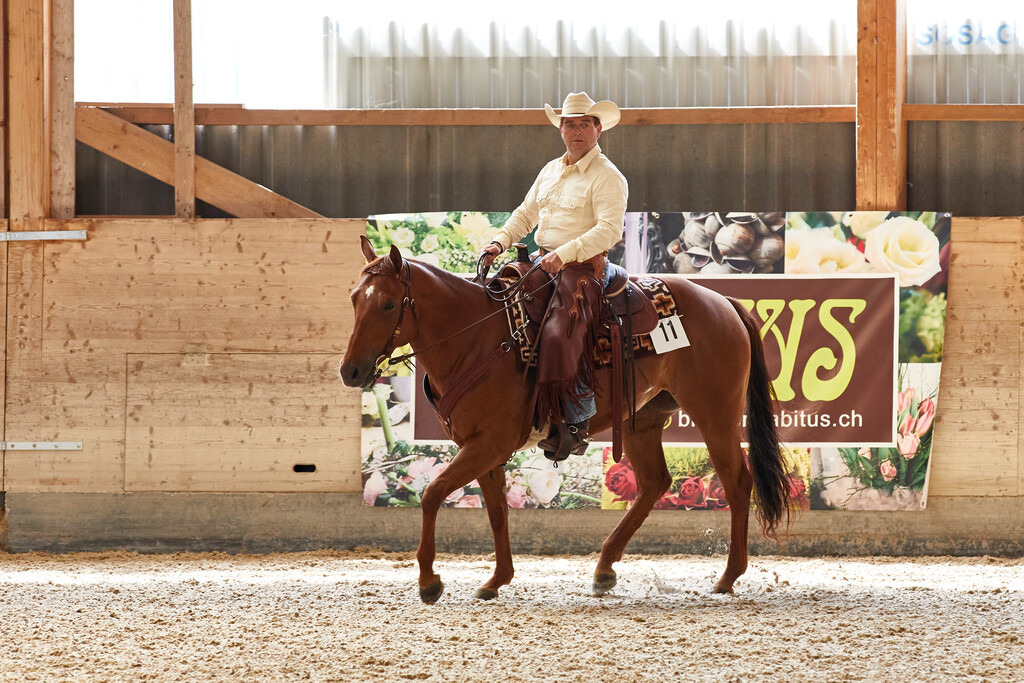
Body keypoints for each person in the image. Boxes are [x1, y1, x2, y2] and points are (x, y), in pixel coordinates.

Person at [480, 92, 628, 459]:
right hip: (544, 260)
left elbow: (609, 230)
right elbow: (525, 214)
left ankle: (575, 424)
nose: (576, 130)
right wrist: (499, 242)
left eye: (583, 124)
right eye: (569, 124)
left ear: (598, 130)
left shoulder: (608, 176)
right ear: (561, 130)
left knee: (560, 333)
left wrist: (565, 254)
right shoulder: (550, 170)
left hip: (583, 266)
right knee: (497, 306)